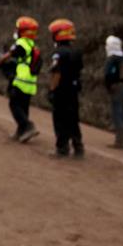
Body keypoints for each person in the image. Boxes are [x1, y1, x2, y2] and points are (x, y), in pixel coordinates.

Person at [0, 17, 40, 143]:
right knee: (24, 106)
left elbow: (6, 57)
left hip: (20, 80)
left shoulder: (21, 43)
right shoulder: (32, 45)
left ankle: (28, 126)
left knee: (14, 104)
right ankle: (21, 131)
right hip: (30, 82)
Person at [46, 19, 84, 158]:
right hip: (74, 90)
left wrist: (51, 90)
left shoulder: (59, 53)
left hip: (62, 90)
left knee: (60, 119)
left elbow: (57, 73)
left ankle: (62, 148)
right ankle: (78, 147)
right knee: (73, 118)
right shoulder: (77, 52)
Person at [103, 35, 123, 149]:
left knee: (117, 114)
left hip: (118, 88)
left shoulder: (112, 59)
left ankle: (120, 141)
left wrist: (109, 87)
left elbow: (108, 75)